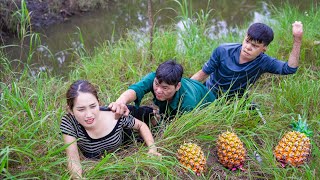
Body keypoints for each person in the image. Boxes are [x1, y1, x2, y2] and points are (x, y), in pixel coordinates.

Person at [60, 80, 160, 179]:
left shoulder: (115, 115)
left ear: (98, 103)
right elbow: (73, 159)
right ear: (70, 110)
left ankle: (155, 112)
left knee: (146, 113)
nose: (89, 115)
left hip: (126, 136)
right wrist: (78, 178)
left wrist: (152, 149)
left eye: (93, 106)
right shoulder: (69, 122)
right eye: (81, 109)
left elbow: (141, 125)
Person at [191, 21, 303, 98]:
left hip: (236, 99)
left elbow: (290, 69)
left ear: (264, 49)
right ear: (245, 37)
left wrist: (297, 40)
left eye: (255, 46)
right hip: (211, 92)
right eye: (247, 41)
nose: (248, 47)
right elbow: (203, 74)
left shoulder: (264, 62)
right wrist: (185, 87)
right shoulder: (223, 50)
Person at [108, 60, 216, 125]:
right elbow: (135, 89)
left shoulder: (188, 103)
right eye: (156, 84)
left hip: (208, 105)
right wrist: (120, 102)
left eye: (165, 88)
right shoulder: (155, 78)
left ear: (177, 86)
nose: (158, 90)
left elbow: (180, 129)